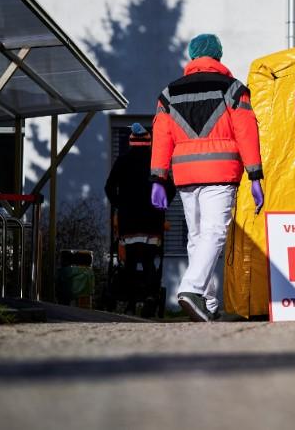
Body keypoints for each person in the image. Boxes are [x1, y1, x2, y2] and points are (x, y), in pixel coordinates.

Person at [149, 33, 264, 322]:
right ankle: (191, 289)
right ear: (218, 56)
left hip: (185, 175)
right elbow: (246, 133)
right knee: (214, 232)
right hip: (220, 171)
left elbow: (161, 137)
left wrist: (158, 178)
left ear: (192, 57)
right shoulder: (234, 89)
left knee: (198, 237)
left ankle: (208, 304)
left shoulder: (169, 93)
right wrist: (255, 175)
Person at [104, 123, 173, 316]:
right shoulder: (157, 163)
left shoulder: (122, 161)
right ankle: (150, 297)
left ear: (131, 141)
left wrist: (119, 205)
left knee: (131, 261)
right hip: (152, 221)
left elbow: (109, 188)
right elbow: (171, 188)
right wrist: (162, 204)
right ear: (149, 142)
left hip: (130, 221)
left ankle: (131, 303)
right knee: (150, 260)